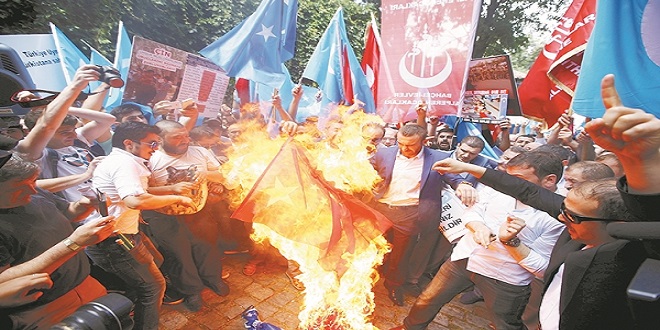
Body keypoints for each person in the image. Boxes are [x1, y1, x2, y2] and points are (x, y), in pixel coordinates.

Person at [394, 152, 565, 330]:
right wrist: (478, 227)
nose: (509, 183)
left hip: (504, 278)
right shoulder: (499, 187)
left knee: (505, 324)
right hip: (464, 258)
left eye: (518, 179)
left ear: (549, 180)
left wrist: (512, 243)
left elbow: (543, 268)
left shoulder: (558, 218)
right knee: (427, 300)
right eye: (508, 177)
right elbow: (473, 211)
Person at [85, 122, 193, 330]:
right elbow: (135, 200)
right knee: (153, 287)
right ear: (128, 143)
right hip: (112, 241)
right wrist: (175, 198)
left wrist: (172, 189)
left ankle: (135, 304)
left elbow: (142, 192)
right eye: (151, 143)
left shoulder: (125, 160)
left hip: (127, 232)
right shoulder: (124, 163)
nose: (155, 148)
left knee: (156, 261)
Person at [0, 152, 116, 329]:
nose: (32, 190)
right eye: (18, 187)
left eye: (33, 182)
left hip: (85, 284)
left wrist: (84, 204)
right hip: (45, 308)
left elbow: (67, 212)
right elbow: (3, 279)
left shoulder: (32, 191)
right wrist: (73, 243)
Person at [370, 124, 475, 306]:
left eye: (410, 145)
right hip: (380, 210)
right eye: (400, 143)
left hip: (410, 214)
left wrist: (463, 185)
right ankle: (365, 282)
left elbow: (453, 177)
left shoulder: (438, 158)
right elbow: (362, 169)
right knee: (369, 249)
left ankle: (393, 284)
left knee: (400, 256)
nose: (404, 148)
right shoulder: (385, 153)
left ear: (424, 142)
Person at [142, 120, 229, 311]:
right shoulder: (149, 158)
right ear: (160, 139)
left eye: (186, 135)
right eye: (177, 137)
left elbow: (223, 175)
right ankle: (191, 291)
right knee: (178, 255)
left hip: (199, 212)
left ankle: (213, 279)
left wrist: (206, 175)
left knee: (207, 247)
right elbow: (141, 191)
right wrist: (171, 190)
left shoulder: (200, 152)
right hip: (164, 216)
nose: (185, 140)